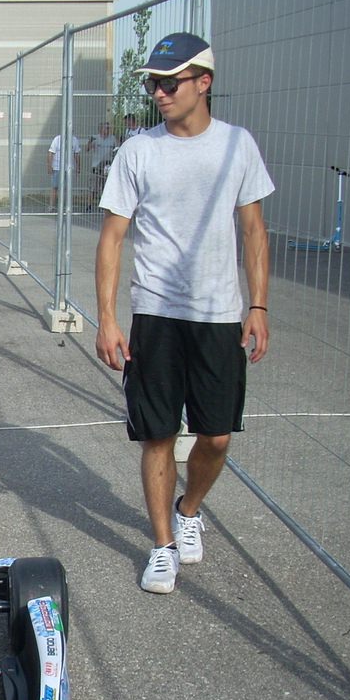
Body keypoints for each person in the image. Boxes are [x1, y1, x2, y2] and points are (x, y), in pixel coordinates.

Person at [92, 32, 273, 595]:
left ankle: (189, 508)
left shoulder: (237, 145)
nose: (159, 93)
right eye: (153, 83)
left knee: (215, 437)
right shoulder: (138, 151)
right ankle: (163, 545)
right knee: (158, 435)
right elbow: (112, 237)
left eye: (170, 82)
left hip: (219, 315)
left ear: (204, 82)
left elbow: (253, 229)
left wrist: (258, 304)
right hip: (157, 314)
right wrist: (107, 318)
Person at [86, 121, 117, 210]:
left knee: (105, 187)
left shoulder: (113, 138)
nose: (108, 129)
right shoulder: (95, 138)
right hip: (96, 165)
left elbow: (117, 149)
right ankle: (89, 205)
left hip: (107, 166)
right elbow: (87, 149)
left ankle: (104, 207)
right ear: (100, 129)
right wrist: (90, 142)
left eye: (108, 128)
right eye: (106, 128)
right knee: (93, 187)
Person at [47, 131, 81, 211]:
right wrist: (49, 165)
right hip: (57, 167)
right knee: (55, 187)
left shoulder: (74, 140)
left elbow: (77, 154)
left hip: (69, 168)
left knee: (67, 188)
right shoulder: (57, 139)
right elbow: (51, 153)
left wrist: (78, 167)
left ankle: (67, 207)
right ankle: (51, 206)